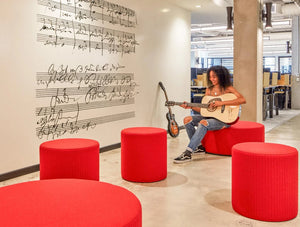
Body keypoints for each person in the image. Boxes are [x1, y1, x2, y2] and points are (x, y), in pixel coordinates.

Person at [174, 65, 246, 163]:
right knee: (187, 119)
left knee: (203, 122)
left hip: (224, 120)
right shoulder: (209, 90)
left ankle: (188, 153)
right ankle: (198, 147)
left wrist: (222, 103)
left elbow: (242, 100)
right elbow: (204, 110)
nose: (211, 79)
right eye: (210, 76)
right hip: (210, 117)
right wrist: (190, 106)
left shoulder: (228, 89)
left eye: (214, 76)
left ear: (221, 76)